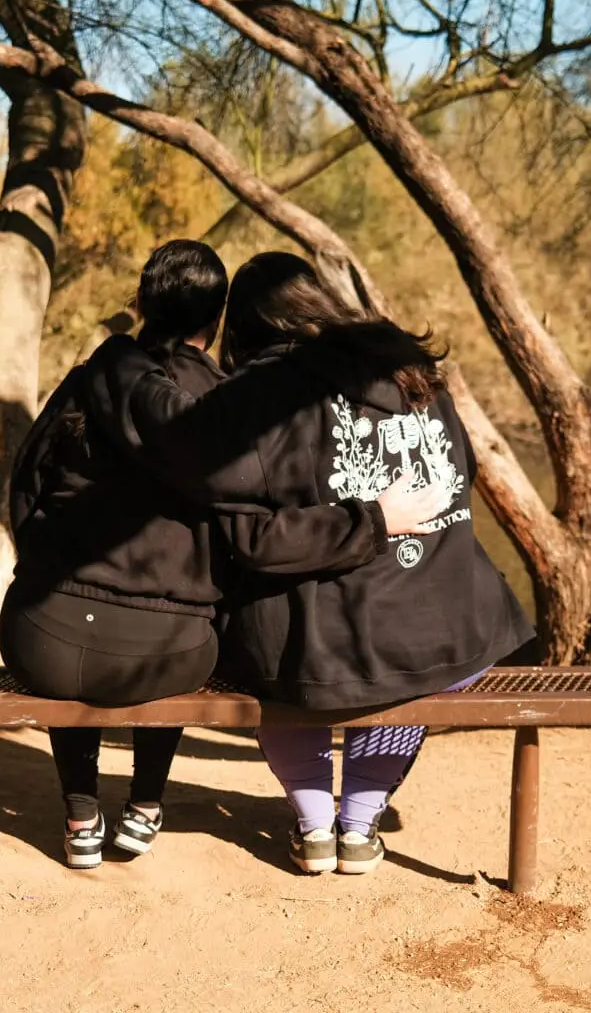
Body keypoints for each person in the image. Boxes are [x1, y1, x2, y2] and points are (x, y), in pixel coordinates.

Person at [82, 251, 536, 874]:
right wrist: (380, 520)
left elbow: (255, 539)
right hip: (456, 628)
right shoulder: (414, 371)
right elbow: (462, 476)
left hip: (330, 647)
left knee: (270, 646)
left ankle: (318, 824)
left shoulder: (267, 396)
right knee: (390, 661)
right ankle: (361, 821)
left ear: (239, 328)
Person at [2, 241, 449, 869]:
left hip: (40, 639)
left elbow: (25, 486)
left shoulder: (89, 381)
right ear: (215, 323)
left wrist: (39, 564)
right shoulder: (232, 405)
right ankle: (146, 805)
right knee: (189, 624)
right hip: (170, 656)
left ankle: (80, 813)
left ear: (141, 301)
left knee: (70, 615)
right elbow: (251, 539)